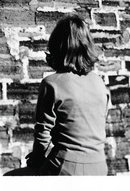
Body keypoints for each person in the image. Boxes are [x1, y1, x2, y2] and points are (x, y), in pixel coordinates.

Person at [26, 14, 110, 176]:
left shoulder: (52, 83)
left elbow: (43, 134)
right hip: (99, 166)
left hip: (65, 166)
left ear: (57, 46)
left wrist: (36, 160)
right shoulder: (100, 84)